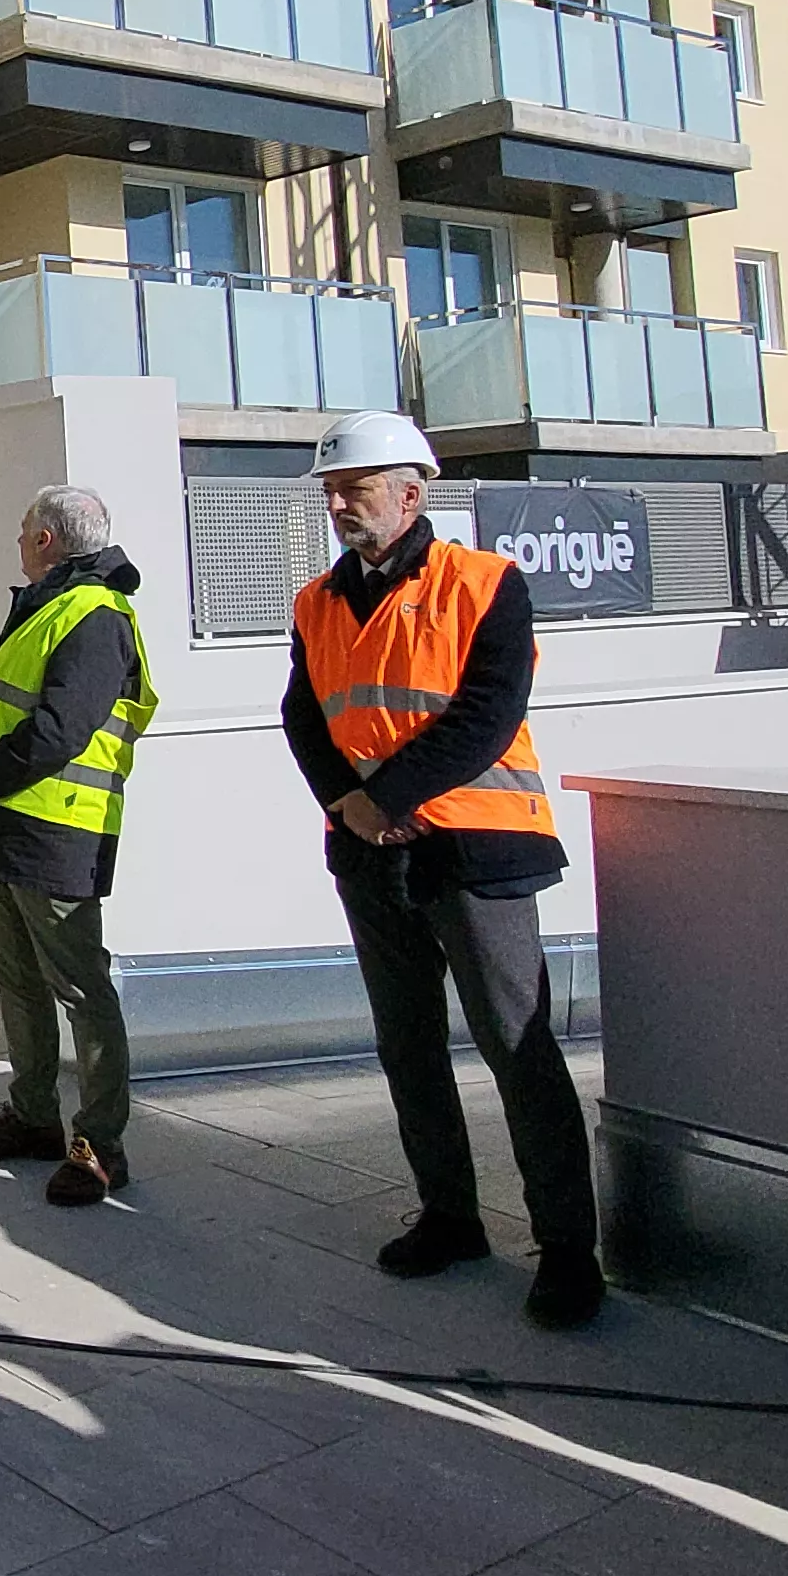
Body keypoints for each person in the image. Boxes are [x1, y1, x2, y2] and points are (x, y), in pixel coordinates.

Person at [281, 411, 602, 1330]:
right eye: (333, 490)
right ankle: (451, 1217)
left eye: (357, 487)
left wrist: (385, 799)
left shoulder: (487, 582)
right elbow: (304, 716)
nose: (340, 503)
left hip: (476, 848)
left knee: (517, 1045)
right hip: (369, 853)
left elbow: (488, 717)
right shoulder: (317, 601)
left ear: (413, 493)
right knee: (407, 1045)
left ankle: (569, 1250)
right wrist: (349, 804)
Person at [0, 486, 153, 1207]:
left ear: (50, 541)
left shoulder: (94, 614)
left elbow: (59, 731)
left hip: (56, 831)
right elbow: (6, 705)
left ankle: (101, 1145)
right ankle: (32, 1118)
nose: (18, 538)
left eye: (25, 529)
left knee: (80, 988)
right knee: (15, 977)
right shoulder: (43, 604)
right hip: (8, 826)